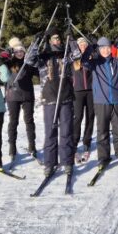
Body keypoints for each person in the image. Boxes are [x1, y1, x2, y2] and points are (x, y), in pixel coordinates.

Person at [26, 29, 78, 179]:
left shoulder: (66, 55)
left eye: (59, 38)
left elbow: (78, 55)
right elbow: (28, 60)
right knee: (50, 132)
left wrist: (72, 39)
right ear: (49, 41)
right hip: (49, 99)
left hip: (66, 98)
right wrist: (36, 42)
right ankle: (50, 163)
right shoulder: (43, 57)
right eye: (54, 38)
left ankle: (67, 161)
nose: (57, 41)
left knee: (66, 131)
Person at [83, 37, 118, 172]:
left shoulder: (116, 62)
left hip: (117, 101)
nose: (105, 50)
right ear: (99, 50)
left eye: (107, 47)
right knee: (102, 132)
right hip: (101, 102)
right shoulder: (94, 63)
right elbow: (83, 62)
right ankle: (103, 158)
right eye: (102, 48)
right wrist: (90, 48)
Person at [4, 37, 37, 164]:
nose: (19, 53)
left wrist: (34, 59)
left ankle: (32, 145)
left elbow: (38, 72)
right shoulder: (8, 63)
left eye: (21, 51)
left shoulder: (28, 63)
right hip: (12, 96)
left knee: (29, 121)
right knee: (13, 121)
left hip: (27, 95)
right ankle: (12, 147)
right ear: (13, 52)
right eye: (17, 51)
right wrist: (5, 55)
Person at [72, 37, 95, 163]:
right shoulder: (74, 58)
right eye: (81, 44)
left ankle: (87, 141)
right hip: (78, 91)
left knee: (90, 116)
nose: (83, 46)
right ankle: (75, 142)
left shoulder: (91, 57)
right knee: (77, 117)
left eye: (85, 44)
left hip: (91, 91)